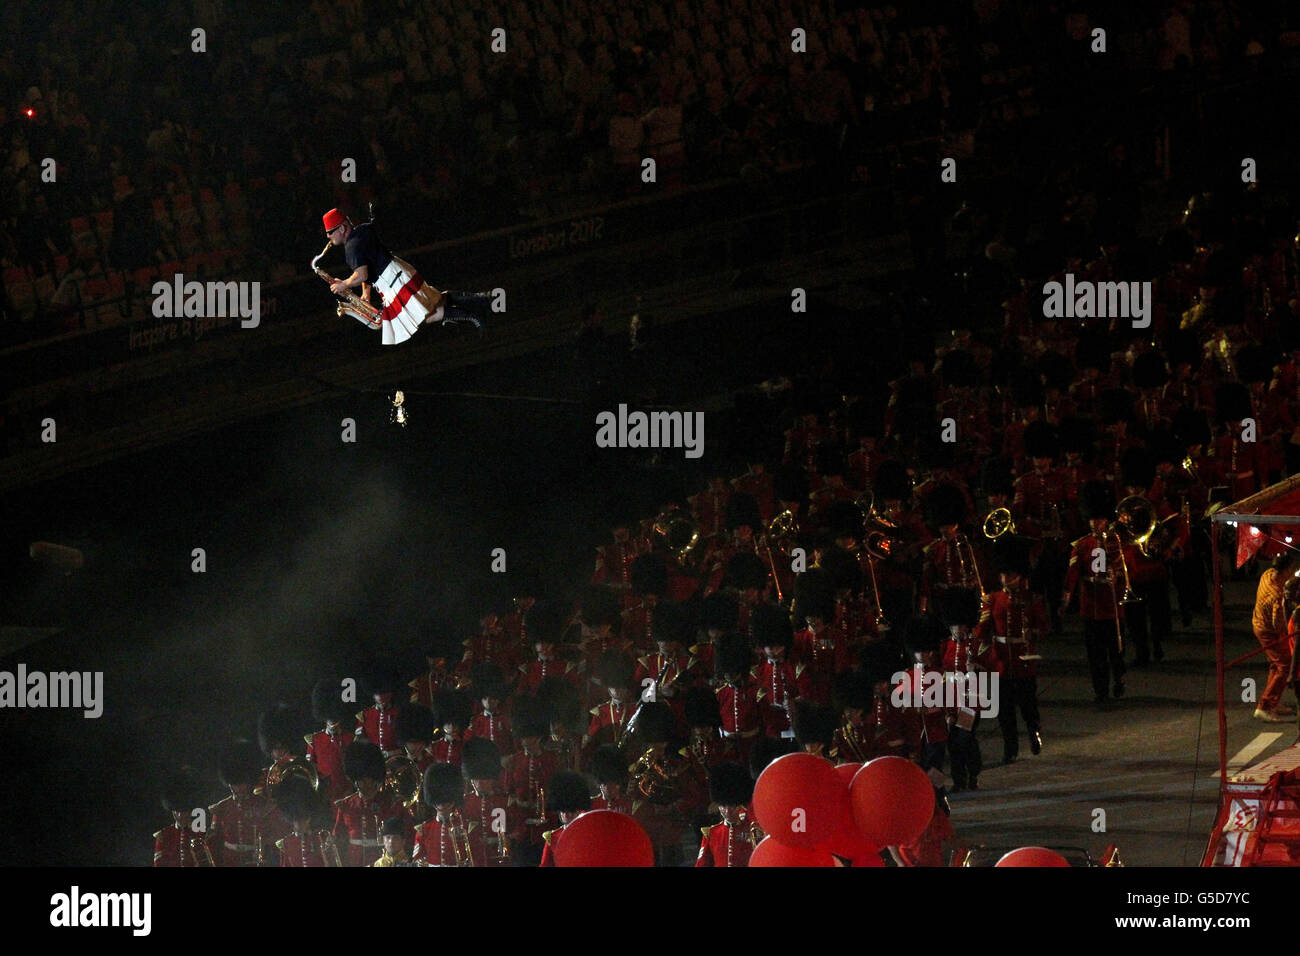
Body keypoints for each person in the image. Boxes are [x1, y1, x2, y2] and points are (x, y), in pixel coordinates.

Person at [318, 207, 490, 343]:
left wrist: (344, 284)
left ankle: (474, 313)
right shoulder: (363, 230)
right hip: (397, 272)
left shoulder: (351, 248)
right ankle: (481, 300)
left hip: (393, 281)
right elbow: (368, 266)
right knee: (433, 300)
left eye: (330, 232)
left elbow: (361, 274)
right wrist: (366, 293)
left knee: (426, 314)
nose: (328, 236)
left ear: (341, 228)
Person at [1252, 553, 1298, 722]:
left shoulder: (1267, 574)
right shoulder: (1277, 595)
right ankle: (1263, 707)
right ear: (1286, 570)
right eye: (1292, 569)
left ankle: (1272, 701)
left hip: (1259, 622)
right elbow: (1278, 623)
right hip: (1268, 631)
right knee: (1285, 666)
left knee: (1276, 664)